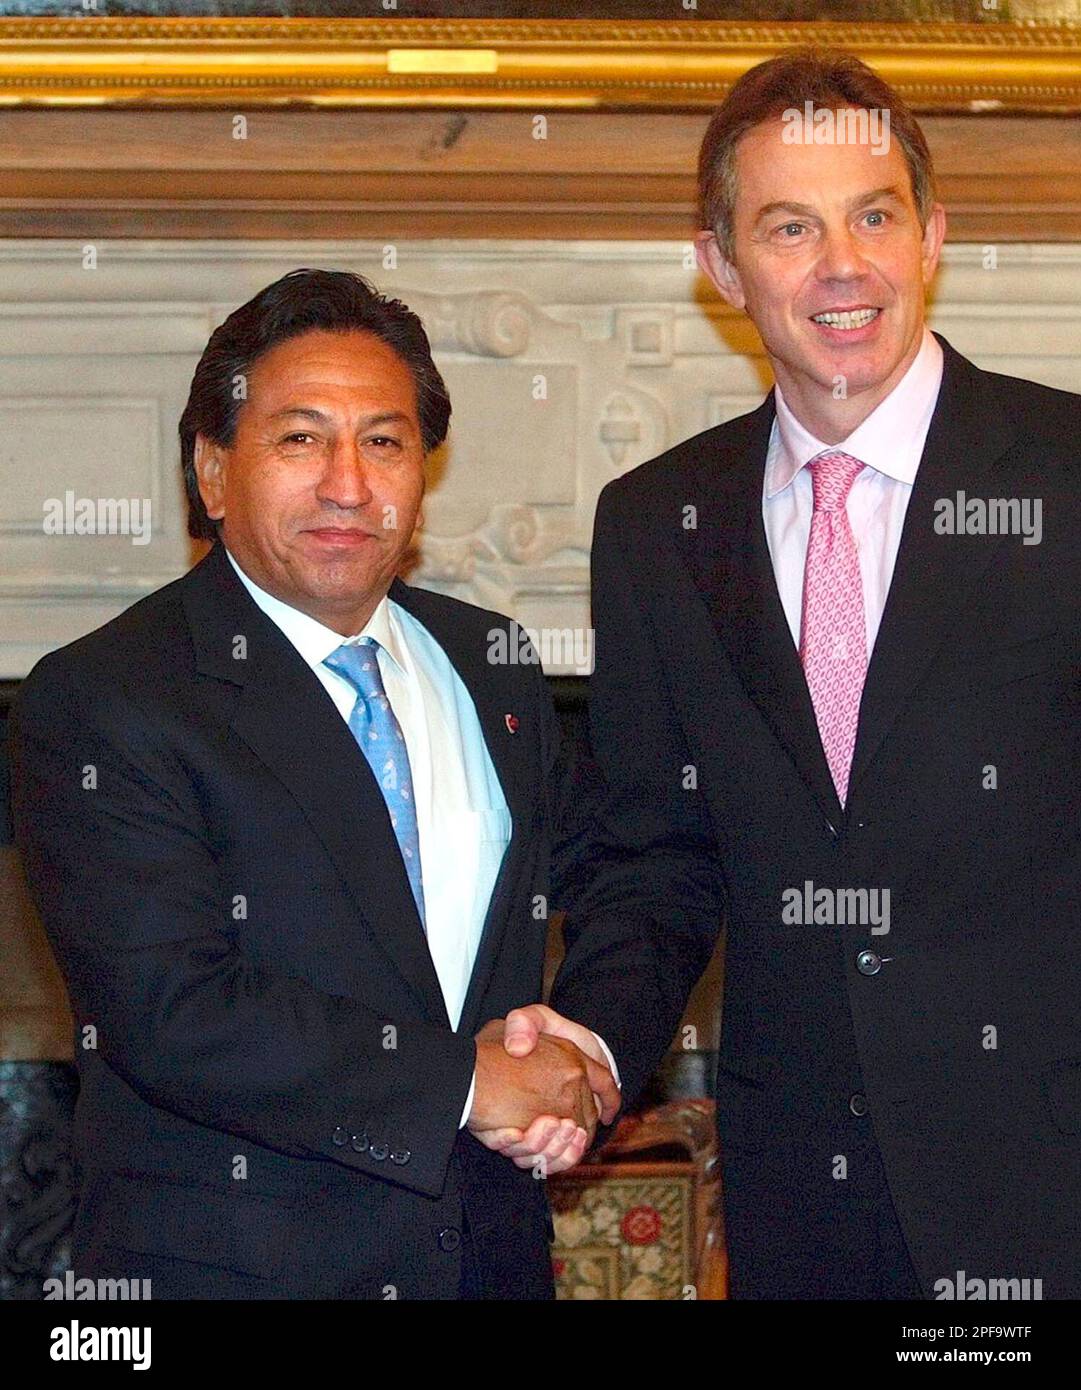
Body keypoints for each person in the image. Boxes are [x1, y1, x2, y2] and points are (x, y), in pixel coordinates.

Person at [495, 50, 1081, 1300]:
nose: (841, 266)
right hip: (805, 1203)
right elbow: (656, 852)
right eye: (788, 226)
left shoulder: (1066, 477)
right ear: (719, 266)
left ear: (931, 234)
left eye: (874, 214)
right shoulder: (657, 523)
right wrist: (590, 1039)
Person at [8, 268, 619, 1301]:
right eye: (300, 438)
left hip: (486, 1262)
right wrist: (473, 1084)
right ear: (211, 471)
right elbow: (173, 1008)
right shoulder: (105, 695)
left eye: (383, 441)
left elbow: (612, 876)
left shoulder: (497, 664)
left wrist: (582, 1056)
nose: (348, 482)